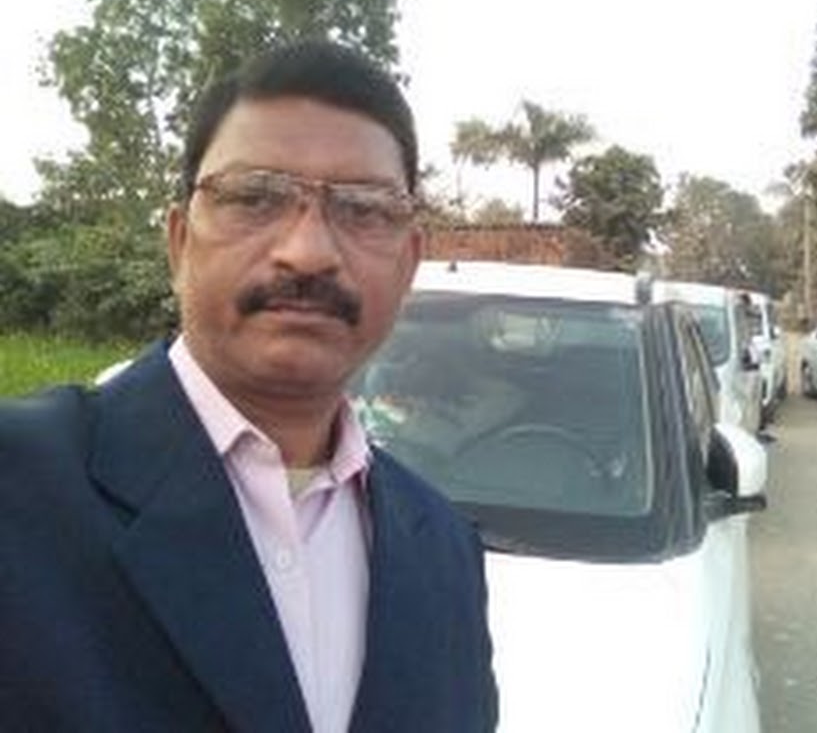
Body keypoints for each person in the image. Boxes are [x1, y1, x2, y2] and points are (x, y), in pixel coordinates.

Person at [0, 40, 498, 732]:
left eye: (364, 210)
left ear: (409, 262)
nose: (308, 253)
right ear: (179, 241)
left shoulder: (444, 552)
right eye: (255, 197)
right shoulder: (21, 489)